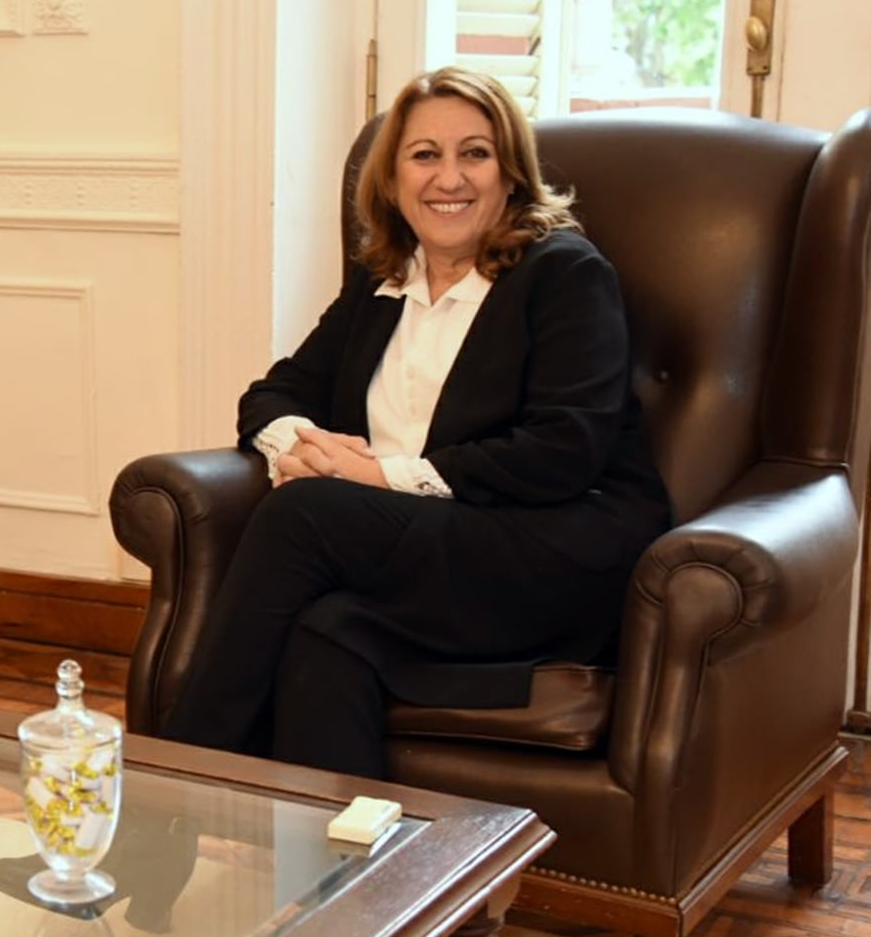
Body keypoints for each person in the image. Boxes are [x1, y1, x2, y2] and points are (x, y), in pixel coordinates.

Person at [158, 66, 671, 783]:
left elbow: (565, 450)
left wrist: (373, 475)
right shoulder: (383, 284)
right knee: (324, 633)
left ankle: (167, 788)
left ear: (511, 174)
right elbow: (272, 394)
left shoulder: (562, 273)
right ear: (393, 179)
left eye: (475, 153)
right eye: (424, 155)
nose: (448, 178)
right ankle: (338, 881)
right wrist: (301, 444)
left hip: (552, 551)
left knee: (302, 516)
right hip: (423, 556)